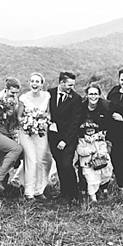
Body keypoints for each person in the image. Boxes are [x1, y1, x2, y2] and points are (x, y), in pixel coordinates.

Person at [0, 77, 24, 195]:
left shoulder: (15, 100)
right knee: (16, 149)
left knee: (6, 159)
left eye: (17, 92)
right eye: (12, 92)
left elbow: (14, 122)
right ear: (6, 89)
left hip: (6, 133)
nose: (14, 95)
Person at [48, 71, 83, 202]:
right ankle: (64, 192)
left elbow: (75, 122)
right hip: (53, 136)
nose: (71, 88)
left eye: (73, 85)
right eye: (69, 85)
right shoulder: (50, 93)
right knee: (59, 164)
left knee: (67, 164)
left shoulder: (76, 98)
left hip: (69, 137)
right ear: (61, 83)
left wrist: (65, 140)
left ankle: (74, 194)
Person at [17, 72, 53, 201]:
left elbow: (48, 114)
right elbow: (19, 117)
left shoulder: (47, 96)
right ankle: (28, 192)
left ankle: (39, 190)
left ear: (42, 84)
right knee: (31, 160)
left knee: (41, 161)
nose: (34, 84)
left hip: (41, 133)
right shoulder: (23, 98)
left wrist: (42, 122)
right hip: (26, 133)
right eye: (32, 81)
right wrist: (28, 123)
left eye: (37, 81)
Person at [76, 120, 113, 203]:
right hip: (88, 164)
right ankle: (93, 197)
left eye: (92, 130)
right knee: (91, 179)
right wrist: (89, 151)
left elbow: (104, 148)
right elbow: (79, 150)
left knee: (104, 176)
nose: (90, 133)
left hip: (100, 161)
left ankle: (102, 191)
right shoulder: (82, 141)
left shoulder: (99, 139)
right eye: (88, 131)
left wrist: (99, 153)